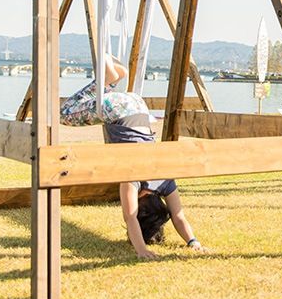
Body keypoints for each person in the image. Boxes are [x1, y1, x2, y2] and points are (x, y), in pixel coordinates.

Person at [60, 55, 208, 259]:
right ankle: (108, 79)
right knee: (65, 114)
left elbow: (178, 215)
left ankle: (110, 80)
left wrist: (193, 241)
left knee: (90, 103)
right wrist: (141, 250)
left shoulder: (165, 179)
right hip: (120, 110)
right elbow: (130, 218)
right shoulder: (132, 178)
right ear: (142, 209)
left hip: (139, 107)